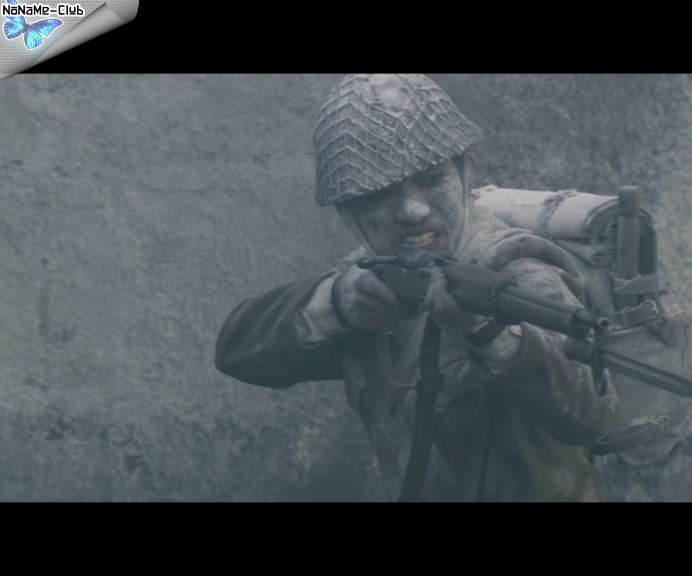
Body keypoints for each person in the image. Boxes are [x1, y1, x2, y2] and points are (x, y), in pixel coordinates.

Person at [215, 74, 617, 501]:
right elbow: (238, 355)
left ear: (465, 173)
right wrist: (336, 304)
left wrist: (490, 335)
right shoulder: (369, 280)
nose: (411, 210)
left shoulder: (518, 269)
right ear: (349, 213)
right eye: (379, 192)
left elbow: (594, 415)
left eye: (430, 179)